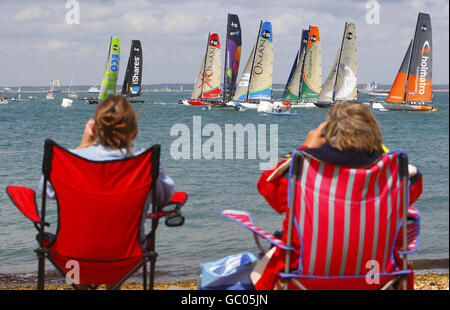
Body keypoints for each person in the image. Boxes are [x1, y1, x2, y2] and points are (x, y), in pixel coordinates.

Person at [252, 101, 423, 289]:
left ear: (328, 134)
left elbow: (267, 186)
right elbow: (410, 193)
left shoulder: (298, 173)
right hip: (376, 280)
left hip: (305, 281)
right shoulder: (400, 178)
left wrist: (305, 149)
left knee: (277, 248)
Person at [39, 95, 175, 289]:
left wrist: (82, 146)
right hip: (126, 260)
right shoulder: (144, 163)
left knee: (79, 259)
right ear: (134, 132)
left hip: (72, 258)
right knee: (116, 256)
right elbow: (165, 197)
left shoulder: (70, 161)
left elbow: (45, 189)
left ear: (94, 130)